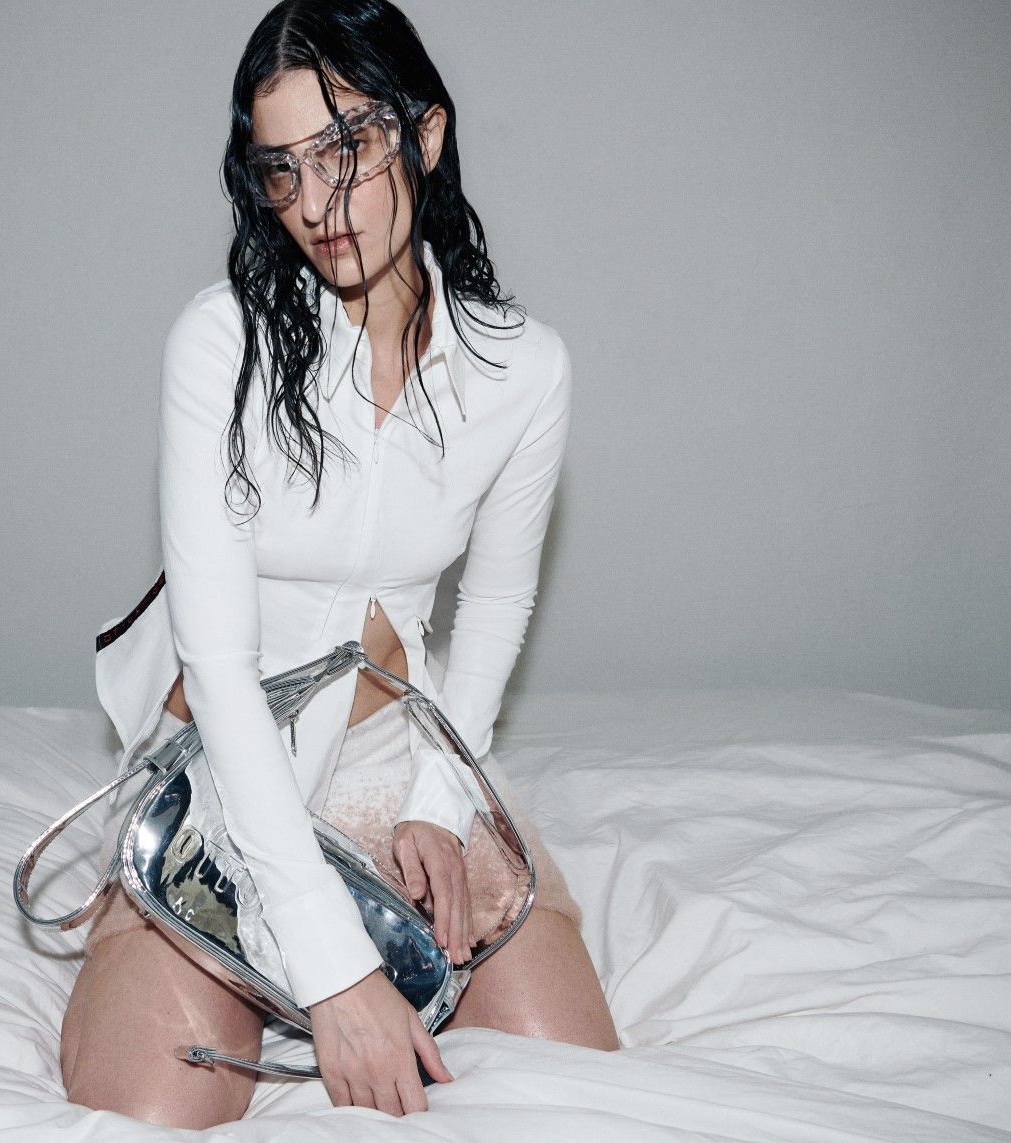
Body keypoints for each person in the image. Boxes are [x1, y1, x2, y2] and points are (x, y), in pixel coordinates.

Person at [62, 0, 618, 1127]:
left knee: (591, 1095)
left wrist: (440, 801)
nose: (317, 203)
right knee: (143, 1113)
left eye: (348, 147)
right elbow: (219, 666)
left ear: (425, 134)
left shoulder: (523, 371)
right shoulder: (220, 344)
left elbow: (497, 600)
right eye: (283, 169)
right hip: (224, 779)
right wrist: (333, 970)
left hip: (392, 759)